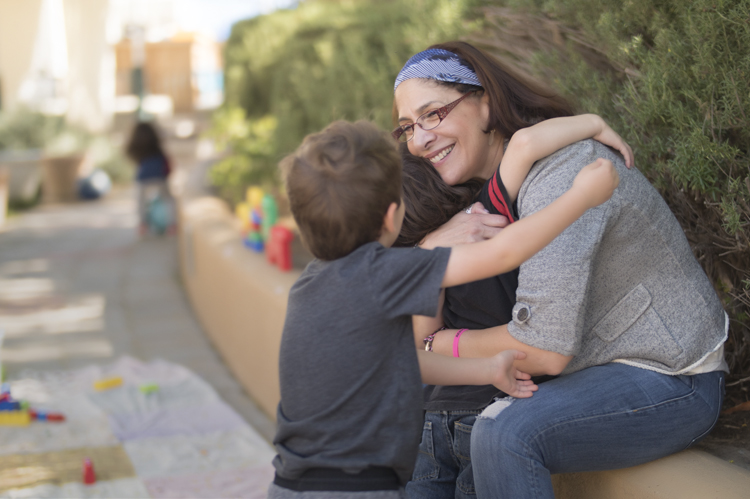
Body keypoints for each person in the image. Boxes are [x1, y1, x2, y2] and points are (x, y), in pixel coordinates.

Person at [392, 42, 728, 499]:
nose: (420, 139)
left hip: (668, 375)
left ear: (485, 102)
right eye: (408, 127)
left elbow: (541, 351)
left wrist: (437, 343)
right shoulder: (476, 199)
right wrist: (431, 247)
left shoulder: (562, 174)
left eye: (433, 114)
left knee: (502, 433)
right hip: (592, 373)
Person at [268, 120, 619, 498]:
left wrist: (485, 369)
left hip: (290, 484)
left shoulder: (308, 286)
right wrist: (581, 196)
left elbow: (397, 360)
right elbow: (504, 252)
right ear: (391, 215)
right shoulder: (384, 274)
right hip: (358, 489)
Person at [125, 121, 174, 236]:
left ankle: (143, 225)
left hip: (144, 177)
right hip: (159, 175)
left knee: (141, 201)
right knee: (168, 200)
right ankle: (172, 225)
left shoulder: (138, 149)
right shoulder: (157, 147)